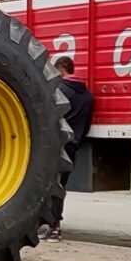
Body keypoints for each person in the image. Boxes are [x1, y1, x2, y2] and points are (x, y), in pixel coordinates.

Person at [41, 57, 94, 238]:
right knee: (61, 186)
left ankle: (52, 226)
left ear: (61, 71)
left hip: (55, 145)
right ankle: (55, 226)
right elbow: (87, 125)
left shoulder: (60, 91)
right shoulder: (87, 96)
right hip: (72, 146)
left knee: (48, 186)